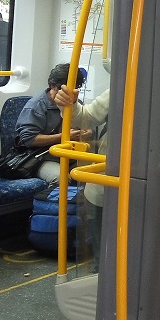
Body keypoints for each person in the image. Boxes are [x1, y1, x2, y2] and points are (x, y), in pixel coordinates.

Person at [53, 83, 109, 272]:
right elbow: (85, 117)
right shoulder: (123, 85)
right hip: (104, 183)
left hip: (146, 188)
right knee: (103, 260)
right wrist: (69, 103)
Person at [15, 63, 90, 183]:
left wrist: (85, 132)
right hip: (42, 158)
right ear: (52, 86)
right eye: (62, 89)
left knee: (93, 174)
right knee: (61, 178)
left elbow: (85, 123)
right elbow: (28, 139)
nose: (66, 94)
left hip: (70, 156)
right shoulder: (36, 106)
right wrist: (64, 137)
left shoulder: (75, 103)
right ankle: (55, 201)